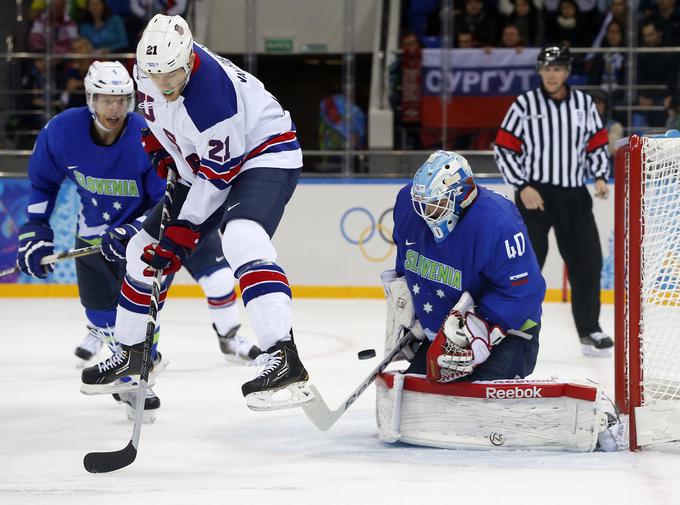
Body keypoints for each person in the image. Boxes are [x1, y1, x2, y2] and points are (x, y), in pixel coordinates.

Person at [80, 14, 309, 410]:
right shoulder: (148, 72)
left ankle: (282, 354)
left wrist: (184, 230)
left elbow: (219, 177)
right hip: (206, 163)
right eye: (155, 74)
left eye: (172, 73)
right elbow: (163, 119)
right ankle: (134, 355)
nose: (163, 83)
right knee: (140, 252)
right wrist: (161, 143)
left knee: (242, 236)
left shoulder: (212, 99)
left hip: (263, 154)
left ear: (187, 59)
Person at [16, 60, 258, 416]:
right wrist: (35, 229)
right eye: (105, 99)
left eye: (121, 99)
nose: (114, 108)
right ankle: (121, 357)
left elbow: (170, 196)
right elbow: (43, 182)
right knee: (101, 317)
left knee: (151, 305)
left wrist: (136, 231)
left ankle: (145, 372)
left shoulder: (147, 134)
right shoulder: (61, 132)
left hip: (155, 230)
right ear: (90, 99)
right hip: (96, 235)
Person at [493, 45, 613, 356]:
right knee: (525, 267)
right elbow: (504, 147)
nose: (551, 73)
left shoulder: (584, 104)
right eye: (546, 68)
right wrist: (521, 185)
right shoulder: (524, 104)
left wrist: (599, 175)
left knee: (588, 263)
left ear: (567, 72)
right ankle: (516, 326)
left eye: (558, 68)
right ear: (539, 71)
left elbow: (597, 144)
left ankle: (590, 329)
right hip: (535, 197)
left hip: (574, 195)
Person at [386, 150, 546, 382]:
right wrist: (413, 318)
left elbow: (523, 291)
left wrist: (479, 330)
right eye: (422, 204)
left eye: (436, 204)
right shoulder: (408, 206)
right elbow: (406, 261)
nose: (426, 212)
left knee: (478, 404)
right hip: (445, 333)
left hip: (508, 329)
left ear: (462, 195)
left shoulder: (497, 221)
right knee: (422, 398)